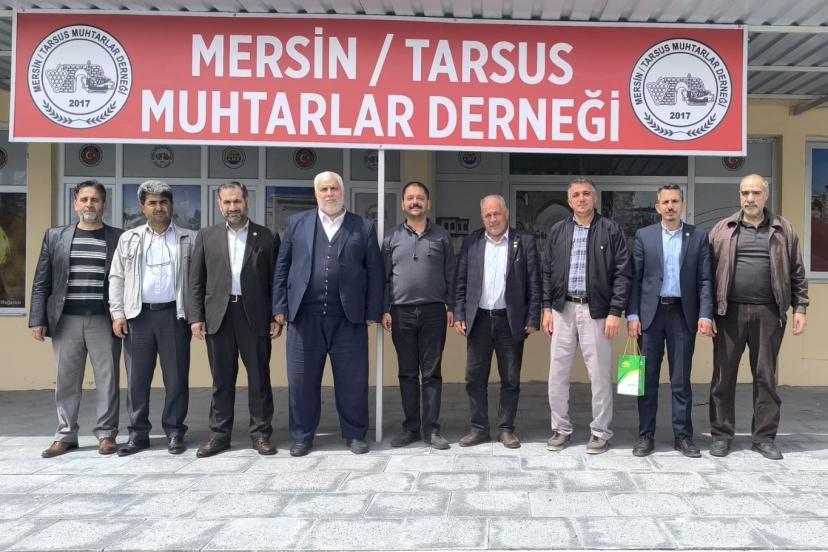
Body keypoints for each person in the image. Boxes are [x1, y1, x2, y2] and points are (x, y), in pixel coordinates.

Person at [273, 171, 384, 457]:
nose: (329, 194)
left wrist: (372, 310)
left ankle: (355, 434)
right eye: (324, 189)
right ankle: (302, 436)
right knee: (301, 381)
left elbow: (375, 272)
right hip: (303, 318)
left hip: (348, 319)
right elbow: (282, 267)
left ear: (342, 193)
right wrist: (279, 307)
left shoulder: (363, 227)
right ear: (316, 194)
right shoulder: (296, 223)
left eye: (334, 188)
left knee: (353, 382)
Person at [708, 173, 808, 460]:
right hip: (729, 314)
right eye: (745, 193)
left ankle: (764, 438)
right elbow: (707, 275)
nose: (749, 198)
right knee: (723, 377)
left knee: (765, 377)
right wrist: (707, 312)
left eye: (755, 193)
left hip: (769, 313)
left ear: (766, 195)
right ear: (740, 195)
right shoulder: (722, 229)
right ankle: (721, 436)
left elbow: (797, 271)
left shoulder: (783, 229)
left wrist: (800, 307)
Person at [29, 180, 123, 458]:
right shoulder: (55, 236)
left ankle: (106, 434)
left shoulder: (118, 237)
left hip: (104, 320)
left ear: (104, 205)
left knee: (108, 379)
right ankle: (66, 435)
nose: (89, 204)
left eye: (95, 200)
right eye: (84, 199)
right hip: (65, 320)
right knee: (66, 380)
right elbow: (41, 281)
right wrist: (37, 318)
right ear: (75, 204)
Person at [188, 181, 281, 457]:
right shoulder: (206, 236)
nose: (232, 207)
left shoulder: (266, 236)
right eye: (227, 202)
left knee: (259, 379)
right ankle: (219, 435)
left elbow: (276, 280)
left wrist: (276, 316)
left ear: (246, 202)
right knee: (221, 380)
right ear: (219, 205)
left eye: (237, 201)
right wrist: (196, 317)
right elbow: (196, 280)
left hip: (255, 317)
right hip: (219, 316)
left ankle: (261, 434)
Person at [542, 176, 631, 455]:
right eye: (576, 195)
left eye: (586, 194)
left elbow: (622, 274)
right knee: (557, 373)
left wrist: (615, 311)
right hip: (563, 310)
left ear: (595, 198)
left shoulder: (611, 230)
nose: (581, 198)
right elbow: (547, 271)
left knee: (600, 375)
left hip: (597, 312)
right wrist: (546, 308)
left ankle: (600, 432)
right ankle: (561, 428)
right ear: (569, 201)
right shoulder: (558, 230)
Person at [108, 180, 196, 456]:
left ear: (171, 205)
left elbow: (198, 281)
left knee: (176, 378)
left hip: (174, 316)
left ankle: (175, 431)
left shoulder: (189, 238)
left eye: (163, 202)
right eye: (152, 203)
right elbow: (117, 277)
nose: (158, 207)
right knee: (137, 379)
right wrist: (118, 313)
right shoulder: (129, 238)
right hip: (138, 317)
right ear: (142, 207)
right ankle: (138, 435)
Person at [626, 184, 713, 458]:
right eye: (665, 202)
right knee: (647, 379)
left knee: (680, 380)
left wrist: (705, 313)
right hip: (650, 317)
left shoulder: (698, 237)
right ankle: (645, 435)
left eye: (675, 201)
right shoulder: (644, 236)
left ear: (682, 205)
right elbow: (635, 278)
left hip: (683, 316)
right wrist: (632, 315)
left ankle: (683, 437)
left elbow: (705, 279)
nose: (670, 206)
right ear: (657, 207)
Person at [453, 194, 541, 449]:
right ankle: (479, 428)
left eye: (497, 213)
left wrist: (532, 316)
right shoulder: (472, 242)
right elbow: (460, 281)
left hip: (509, 322)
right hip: (478, 320)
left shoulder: (524, 242)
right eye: (488, 215)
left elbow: (534, 282)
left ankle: (506, 429)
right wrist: (459, 314)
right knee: (474, 378)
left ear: (506, 214)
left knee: (510, 379)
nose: (493, 219)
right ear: (482, 218)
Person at [382, 181, 455, 450]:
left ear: (428, 203)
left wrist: (451, 306)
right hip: (400, 313)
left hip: (434, 312)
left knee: (432, 373)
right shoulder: (390, 238)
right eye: (410, 198)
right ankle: (411, 427)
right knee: (407, 373)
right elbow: (383, 277)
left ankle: (432, 429)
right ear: (403, 204)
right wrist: (384, 308)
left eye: (420, 198)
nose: (415, 202)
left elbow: (451, 273)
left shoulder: (441, 236)